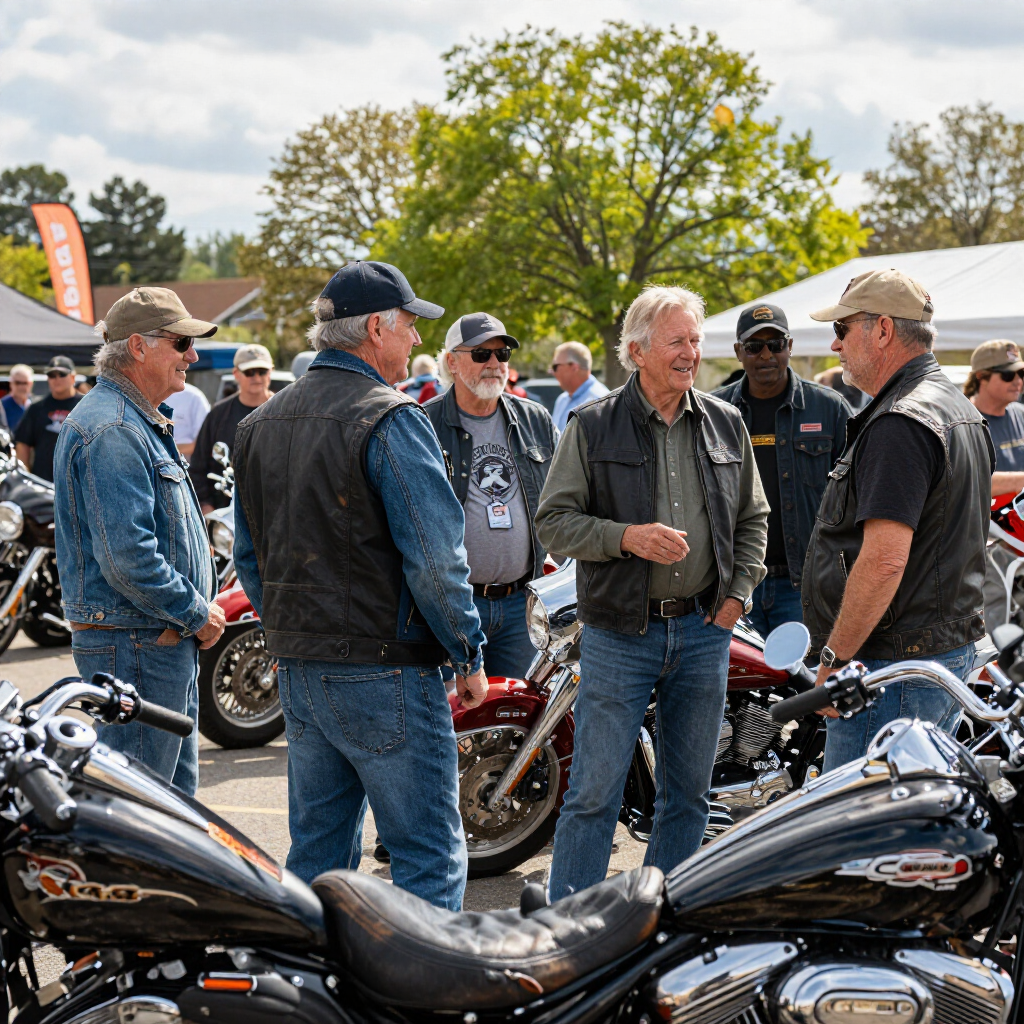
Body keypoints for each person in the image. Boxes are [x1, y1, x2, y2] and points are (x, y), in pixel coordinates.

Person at [231, 261, 487, 910]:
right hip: (384, 670)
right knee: (427, 854)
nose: (417, 342)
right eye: (408, 327)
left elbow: (248, 558)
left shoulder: (260, 425)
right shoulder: (392, 418)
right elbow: (436, 561)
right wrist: (467, 650)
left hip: (302, 668)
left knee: (317, 858)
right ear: (376, 327)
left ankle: (311, 1000)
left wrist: (292, 634)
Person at [535, 285, 769, 899]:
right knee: (594, 793)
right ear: (638, 351)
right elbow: (553, 522)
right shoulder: (591, 425)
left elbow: (754, 519)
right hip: (618, 634)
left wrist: (737, 595)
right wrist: (626, 537)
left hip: (704, 632)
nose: (691, 353)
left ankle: (662, 924)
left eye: (696, 340)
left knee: (688, 797)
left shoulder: (726, 421)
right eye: (678, 341)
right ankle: (569, 933)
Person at [802, 270, 992, 773]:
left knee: (860, 835)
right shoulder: (956, 407)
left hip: (891, 668)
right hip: (931, 656)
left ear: (882, 330)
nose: (835, 344)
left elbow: (884, 561)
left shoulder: (901, 421)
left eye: (843, 329)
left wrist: (834, 662)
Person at [53, 287, 226, 795]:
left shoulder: (131, 420)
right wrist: (197, 612)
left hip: (153, 642)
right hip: (139, 645)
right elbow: (128, 557)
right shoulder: (112, 427)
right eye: (180, 344)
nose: (191, 356)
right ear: (137, 346)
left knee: (172, 812)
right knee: (143, 813)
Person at [424, 312, 558, 679]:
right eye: (481, 354)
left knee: (515, 724)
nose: (495, 364)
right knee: (458, 723)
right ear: (451, 361)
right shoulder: (423, 423)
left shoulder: (536, 420)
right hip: (453, 605)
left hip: (522, 605)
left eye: (502, 354)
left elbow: (567, 497)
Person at [714, 304, 850, 637]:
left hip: (805, 586)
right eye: (753, 346)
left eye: (775, 345)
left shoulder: (829, 408)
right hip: (733, 586)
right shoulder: (714, 413)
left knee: (805, 684)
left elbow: (857, 494)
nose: (766, 355)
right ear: (738, 352)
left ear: (789, 346)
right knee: (742, 687)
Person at [964, 339, 1024, 631]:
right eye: (1009, 374)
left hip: (1018, 535)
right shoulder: (965, 420)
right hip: (985, 542)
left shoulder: (1019, 414)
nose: (1018, 382)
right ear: (981, 377)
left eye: (1022, 373)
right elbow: (970, 480)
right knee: (995, 623)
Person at [189, 344, 274, 511]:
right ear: (236, 374)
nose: (256, 377)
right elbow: (199, 465)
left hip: (274, 511)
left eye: (262, 371)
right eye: (249, 372)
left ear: (270, 372)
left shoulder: (287, 412)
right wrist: (206, 506)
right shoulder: (218, 415)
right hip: (226, 512)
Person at [15, 356, 81, 481]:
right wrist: (25, 477)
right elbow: (23, 444)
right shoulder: (36, 408)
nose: (57, 379)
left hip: (78, 485)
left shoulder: (86, 406)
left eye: (62, 374)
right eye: (52, 375)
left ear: (73, 377)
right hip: (43, 484)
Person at [550, 341, 609, 433]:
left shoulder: (600, 402)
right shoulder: (562, 399)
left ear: (574, 367)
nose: (553, 372)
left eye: (555, 367)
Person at [164, 381, 210, 457]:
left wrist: (166, 450)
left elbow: (204, 443)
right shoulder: (142, 394)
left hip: (185, 465)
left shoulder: (194, 397)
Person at [3, 364, 34, 431]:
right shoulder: (2, 406)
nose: (21, 387)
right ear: (11, 384)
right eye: (18, 383)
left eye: (25, 383)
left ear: (31, 384)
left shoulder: (37, 405)